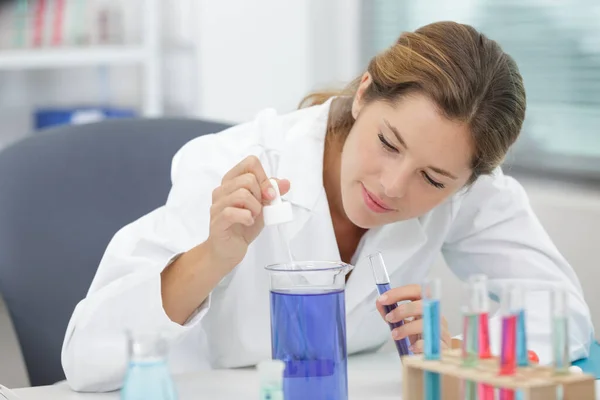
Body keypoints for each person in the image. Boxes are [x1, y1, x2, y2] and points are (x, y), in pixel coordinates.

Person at [61, 21, 593, 392]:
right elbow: (87, 358)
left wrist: (469, 356)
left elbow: (564, 321)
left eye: (432, 179)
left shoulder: (471, 191)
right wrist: (212, 257)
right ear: (364, 93)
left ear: (468, 181)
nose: (391, 186)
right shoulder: (232, 164)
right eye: (388, 142)